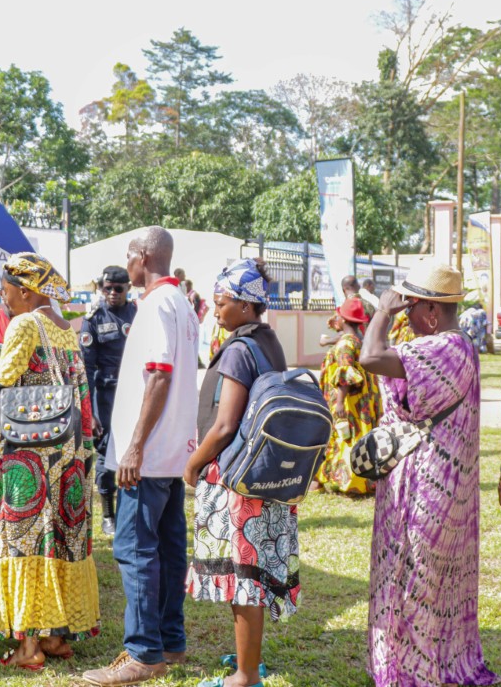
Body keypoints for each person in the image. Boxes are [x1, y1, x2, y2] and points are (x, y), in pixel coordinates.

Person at [0, 252, 100, 671]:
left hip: (29, 458)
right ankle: (54, 637)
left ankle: (28, 648)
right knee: (57, 540)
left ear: (27, 291)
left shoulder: (25, 324)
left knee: (24, 540)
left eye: (8, 288)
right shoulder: (66, 328)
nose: (3, 296)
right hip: (69, 456)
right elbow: (82, 398)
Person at [359, 260, 500, 687]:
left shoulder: (442, 348)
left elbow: (370, 356)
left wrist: (382, 312)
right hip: (445, 486)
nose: (406, 314)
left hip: (427, 486)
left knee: (417, 579)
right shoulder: (460, 346)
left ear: (433, 312)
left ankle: (415, 672)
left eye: (411, 306)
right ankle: (432, 664)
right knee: (436, 582)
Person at [85, 227, 199, 687]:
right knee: (169, 549)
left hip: (147, 454)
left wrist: (133, 446)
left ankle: (143, 653)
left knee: (135, 549)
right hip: (170, 452)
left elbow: (158, 377)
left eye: (129, 255)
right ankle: (169, 641)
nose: (126, 263)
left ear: (144, 256)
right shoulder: (183, 304)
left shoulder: (154, 305)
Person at [185, 258, 296, 687]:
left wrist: (193, 465)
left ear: (247, 306)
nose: (216, 310)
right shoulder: (268, 341)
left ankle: (246, 676)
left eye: (222, 302)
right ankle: (249, 660)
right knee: (251, 574)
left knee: (242, 579)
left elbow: (226, 425)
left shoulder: (237, 350)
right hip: (263, 477)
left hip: (235, 480)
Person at [81, 265, 137, 536]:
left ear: (128, 288)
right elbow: (87, 368)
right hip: (105, 397)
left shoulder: (137, 313)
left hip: (134, 394)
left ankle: (130, 512)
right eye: (107, 288)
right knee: (105, 454)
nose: (112, 293)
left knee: (134, 452)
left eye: (118, 289)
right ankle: (107, 513)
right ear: (101, 288)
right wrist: (89, 410)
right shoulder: (93, 318)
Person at [316, 298, 378, 496]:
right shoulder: (356, 340)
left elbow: (345, 374)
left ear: (343, 319)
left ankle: (351, 482)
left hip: (347, 400)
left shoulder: (344, 344)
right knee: (355, 436)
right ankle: (360, 479)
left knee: (345, 436)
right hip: (360, 399)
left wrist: (340, 402)